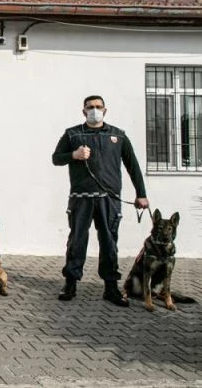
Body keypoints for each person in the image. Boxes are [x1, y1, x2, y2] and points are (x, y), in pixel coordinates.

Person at [52, 95, 149, 306]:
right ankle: (70, 283)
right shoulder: (73, 134)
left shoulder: (118, 136)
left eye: (98, 107)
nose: (94, 110)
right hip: (81, 198)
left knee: (109, 242)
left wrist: (141, 194)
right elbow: (56, 158)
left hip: (109, 198)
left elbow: (133, 166)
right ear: (83, 111)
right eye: (90, 107)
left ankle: (111, 288)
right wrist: (74, 155)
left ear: (105, 110)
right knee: (77, 241)